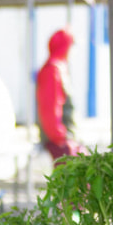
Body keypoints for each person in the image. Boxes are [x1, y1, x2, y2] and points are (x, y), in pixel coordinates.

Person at [36, 28, 79, 160]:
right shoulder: (52, 70)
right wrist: (60, 138)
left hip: (63, 138)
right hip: (57, 141)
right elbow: (49, 108)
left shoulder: (58, 67)